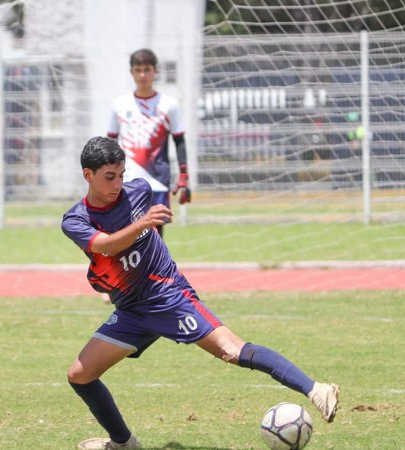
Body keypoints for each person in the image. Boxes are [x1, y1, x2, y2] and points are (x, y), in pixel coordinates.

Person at [61, 137, 340, 450]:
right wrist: (143, 223)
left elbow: (160, 195)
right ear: (88, 175)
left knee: (232, 350)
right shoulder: (76, 220)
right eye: (109, 177)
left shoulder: (138, 190)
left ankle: (317, 389)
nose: (118, 184)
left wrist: (182, 182)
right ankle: (124, 443)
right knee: (80, 375)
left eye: (122, 174)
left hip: (168, 296)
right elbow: (105, 246)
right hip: (132, 310)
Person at [107, 48, 190, 237]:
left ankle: (155, 268)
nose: (142, 74)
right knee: (125, 235)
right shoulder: (119, 105)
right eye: (138, 70)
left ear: (155, 71)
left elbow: (179, 140)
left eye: (147, 69)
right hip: (126, 180)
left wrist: (184, 175)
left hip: (157, 180)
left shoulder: (169, 105)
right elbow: (110, 143)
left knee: (154, 237)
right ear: (132, 72)